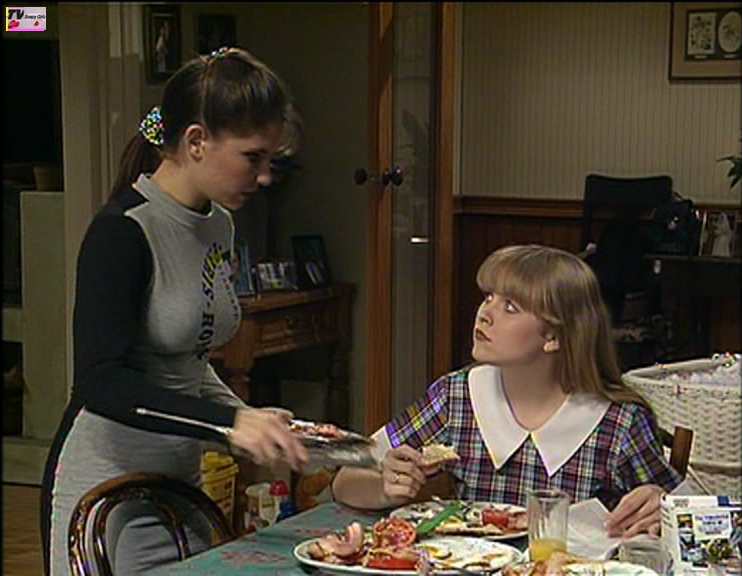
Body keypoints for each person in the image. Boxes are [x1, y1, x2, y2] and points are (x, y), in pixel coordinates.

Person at [41, 47, 307, 575]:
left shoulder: (219, 225)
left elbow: (189, 360)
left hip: (178, 485)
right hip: (105, 493)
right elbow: (101, 382)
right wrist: (229, 423)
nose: (264, 176)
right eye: (252, 158)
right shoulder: (123, 232)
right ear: (196, 141)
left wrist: (247, 417)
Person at [332, 244, 682, 538]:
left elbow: (683, 510)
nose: (484, 314)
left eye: (510, 307)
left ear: (554, 337)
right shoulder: (456, 397)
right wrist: (385, 487)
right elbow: (344, 479)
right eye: (488, 297)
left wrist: (660, 505)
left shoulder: (618, 423)